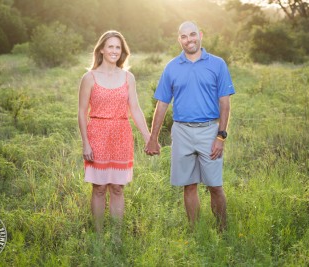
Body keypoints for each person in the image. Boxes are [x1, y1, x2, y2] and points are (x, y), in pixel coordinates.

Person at [145, 21, 235, 231]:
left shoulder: (217, 64)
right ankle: (195, 232)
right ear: (179, 40)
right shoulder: (172, 67)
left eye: (192, 35)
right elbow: (162, 104)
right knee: (189, 184)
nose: (189, 40)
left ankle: (223, 230)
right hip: (182, 131)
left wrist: (220, 136)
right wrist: (153, 138)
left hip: (209, 130)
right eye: (184, 37)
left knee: (215, 186)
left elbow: (225, 103)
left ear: (200, 35)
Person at [78, 30, 150, 232]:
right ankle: (99, 236)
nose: (114, 51)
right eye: (110, 46)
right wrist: (85, 142)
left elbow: (135, 109)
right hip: (97, 135)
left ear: (122, 51)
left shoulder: (128, 78)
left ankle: (117, 237)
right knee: (99, 188)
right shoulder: (89, 78)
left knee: (118, 188)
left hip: (121, 135)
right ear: (101, 49)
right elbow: (82, 112)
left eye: (118, 47)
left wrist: (148, 137)